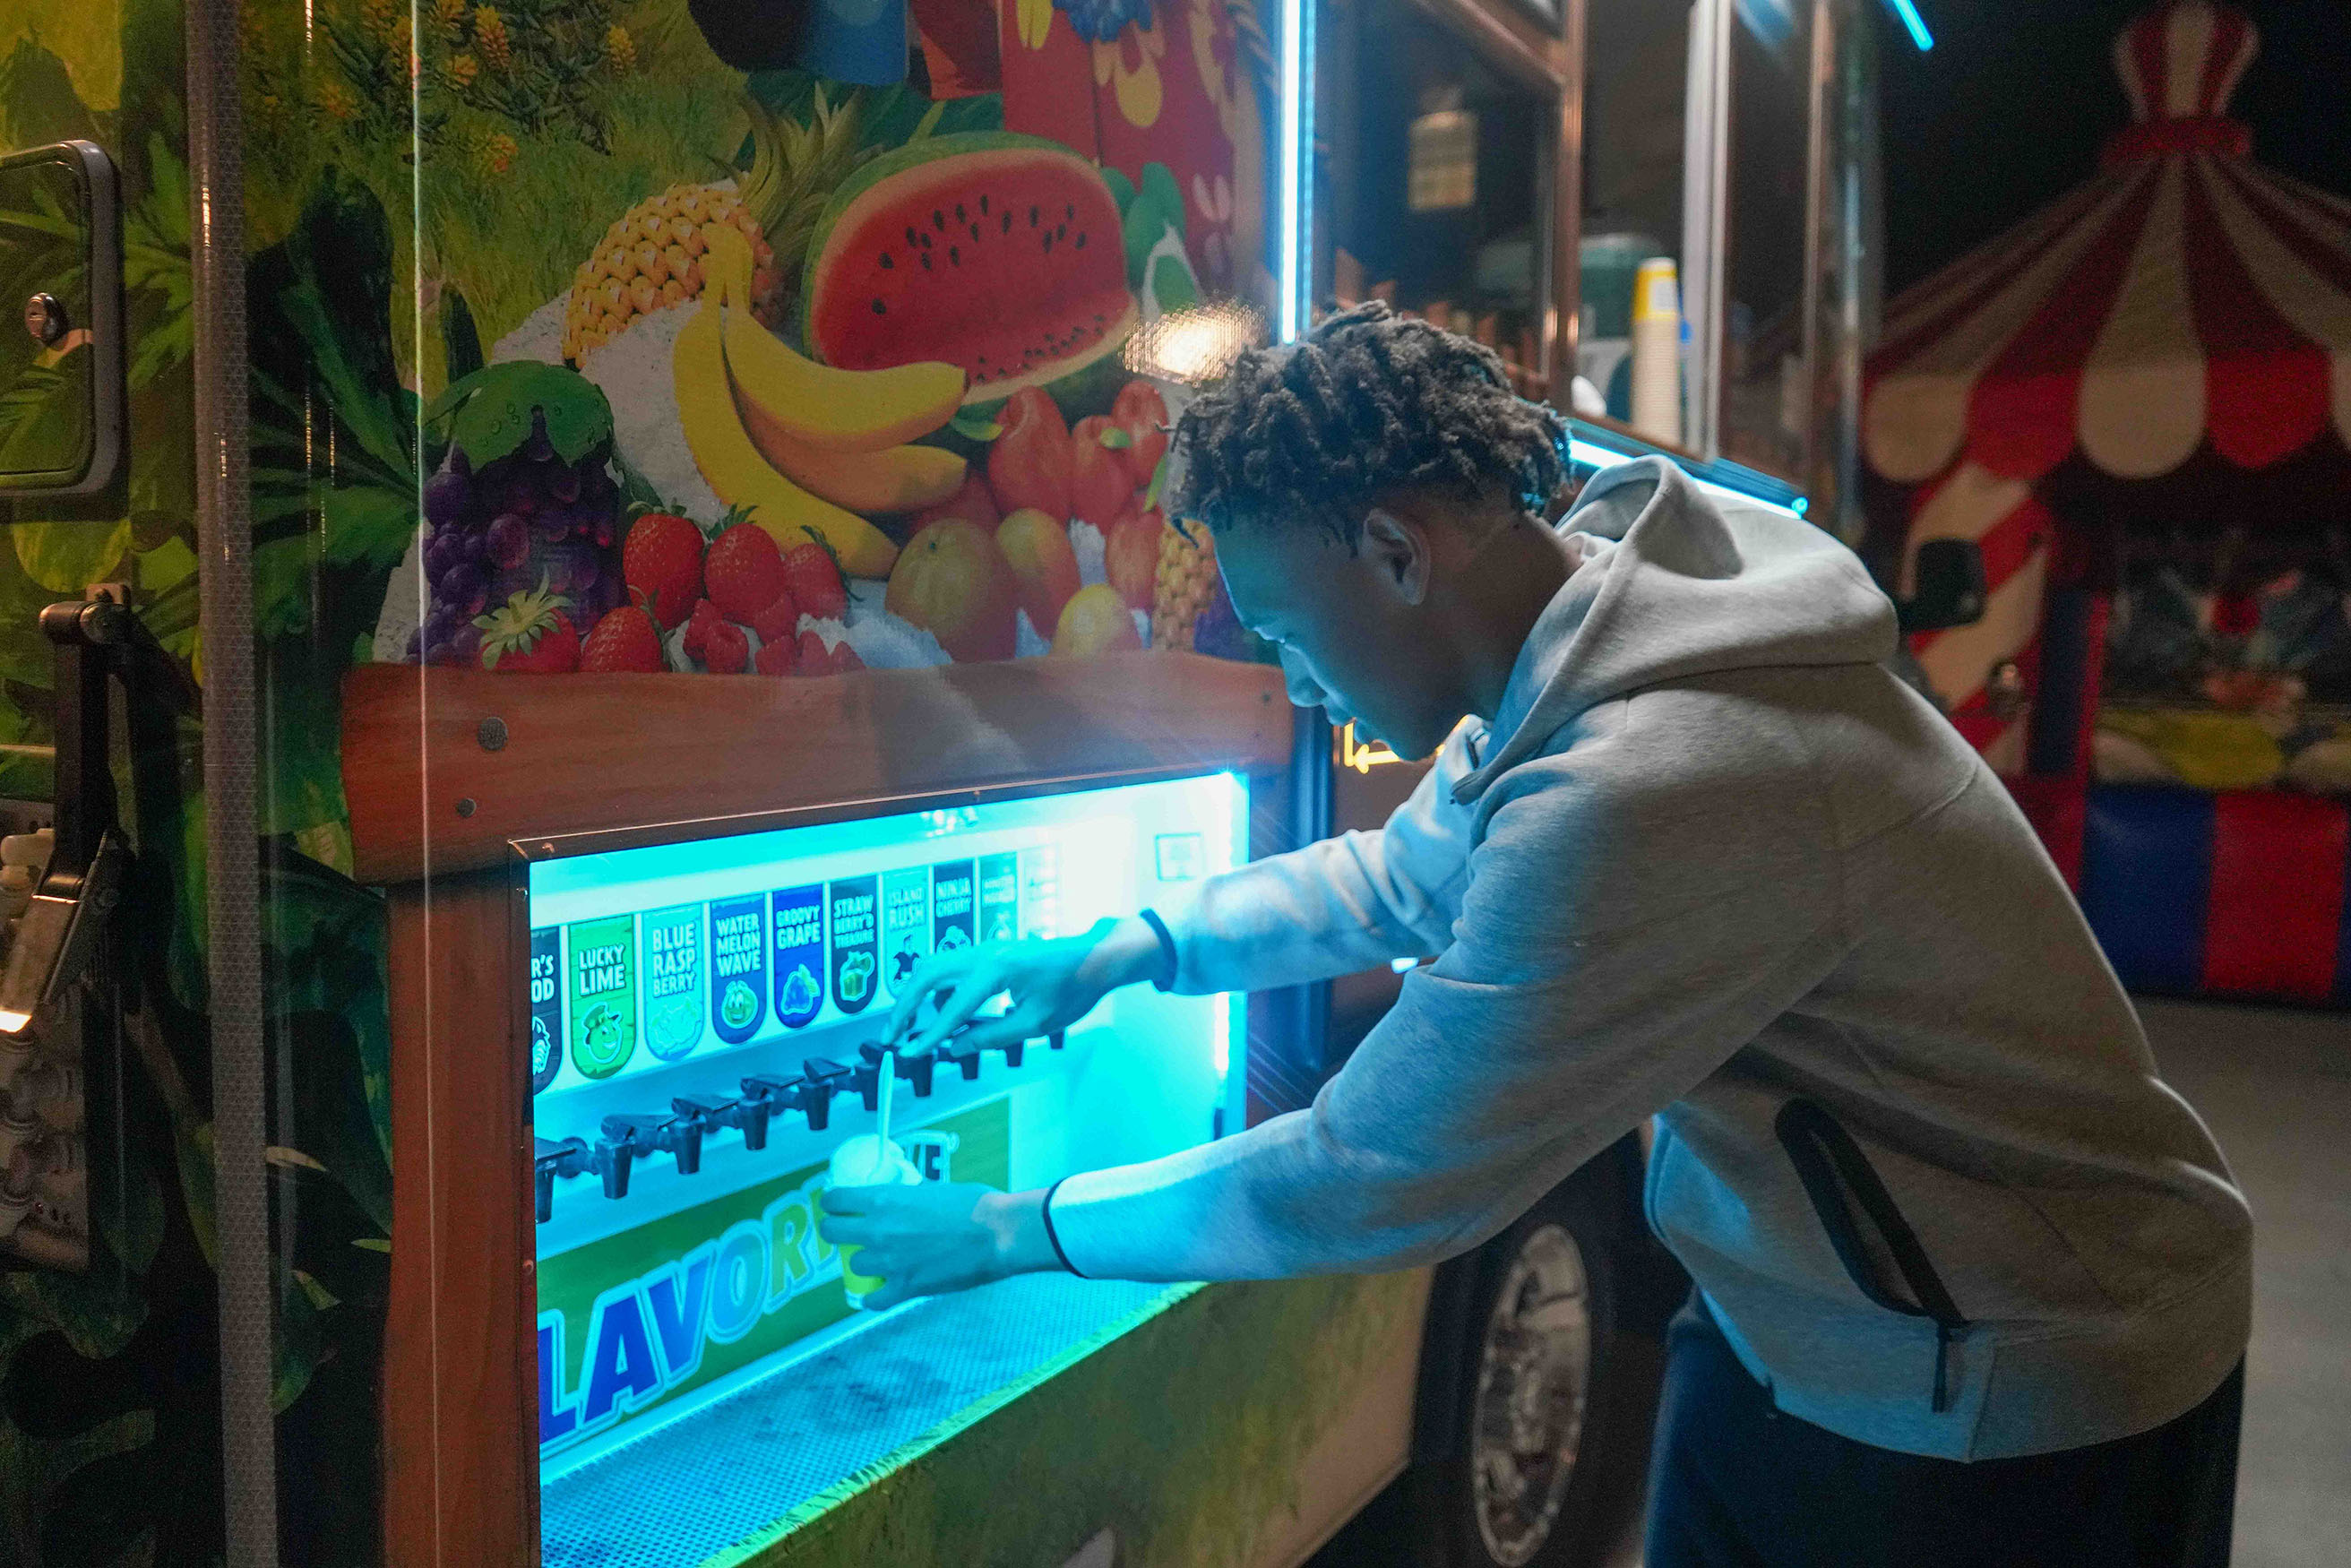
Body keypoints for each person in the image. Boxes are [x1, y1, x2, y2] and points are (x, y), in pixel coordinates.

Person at [819, 303, 2252, 1567]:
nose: (1303, 692)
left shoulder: (1655, 773)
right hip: (1806, 1326)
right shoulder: (1584, 642)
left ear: (1395, 552)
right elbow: (1394, 881)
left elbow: (1377, 1167)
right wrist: (1119, 947)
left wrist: (1015, 1227)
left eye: (1292, 637)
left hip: (2019, 1381)